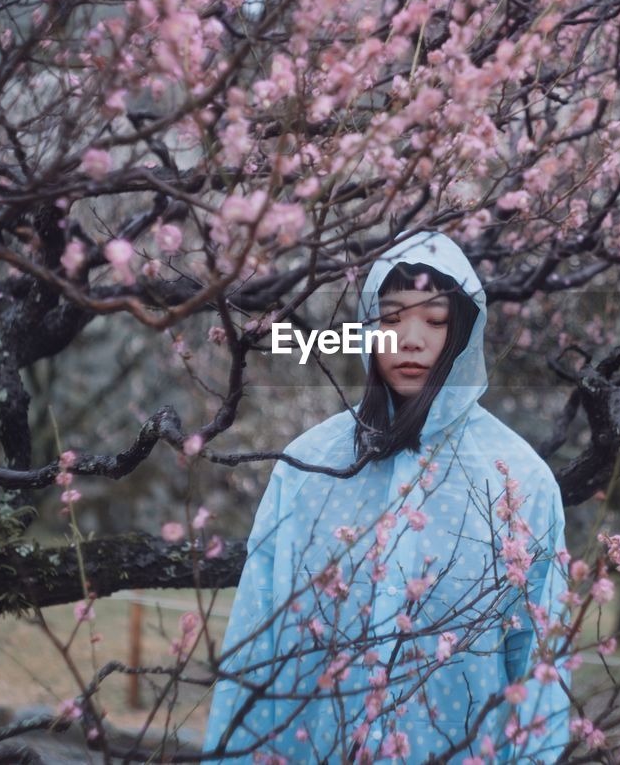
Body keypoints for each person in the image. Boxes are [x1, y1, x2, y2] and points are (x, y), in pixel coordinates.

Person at [201, 231, 571, 763]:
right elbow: (257, 641)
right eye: (391, 318)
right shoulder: (310, 467)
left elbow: (540, 669)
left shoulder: (520, 481)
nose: (410, 339)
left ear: (463, 331)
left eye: (435, 320)